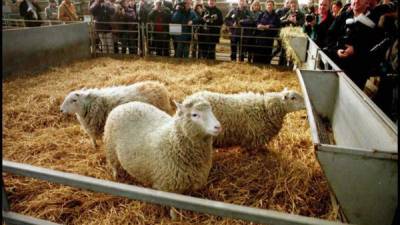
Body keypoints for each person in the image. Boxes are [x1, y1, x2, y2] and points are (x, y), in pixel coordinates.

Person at [332, 0, 397, 89]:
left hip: (361, 71)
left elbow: (377, 45)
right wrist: (337, 50)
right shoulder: (345, 14)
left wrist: (356, 50)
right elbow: (331, 37)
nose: (357, 1)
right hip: (339, 66)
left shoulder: (378, 14)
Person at [253, 0, 280, 64]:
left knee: (267, 51)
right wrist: (258, 25)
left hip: (269, 37)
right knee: (258, 51)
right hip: (260, 36)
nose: (269, 6)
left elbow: (277, 25)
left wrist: (268, 27)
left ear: (273, 6)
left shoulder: (276, 16)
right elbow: (257, 22)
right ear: (266, 6)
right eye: (268, 5)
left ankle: (266, 64)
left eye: (271, 5)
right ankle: (257, 64)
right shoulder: (262, 14)